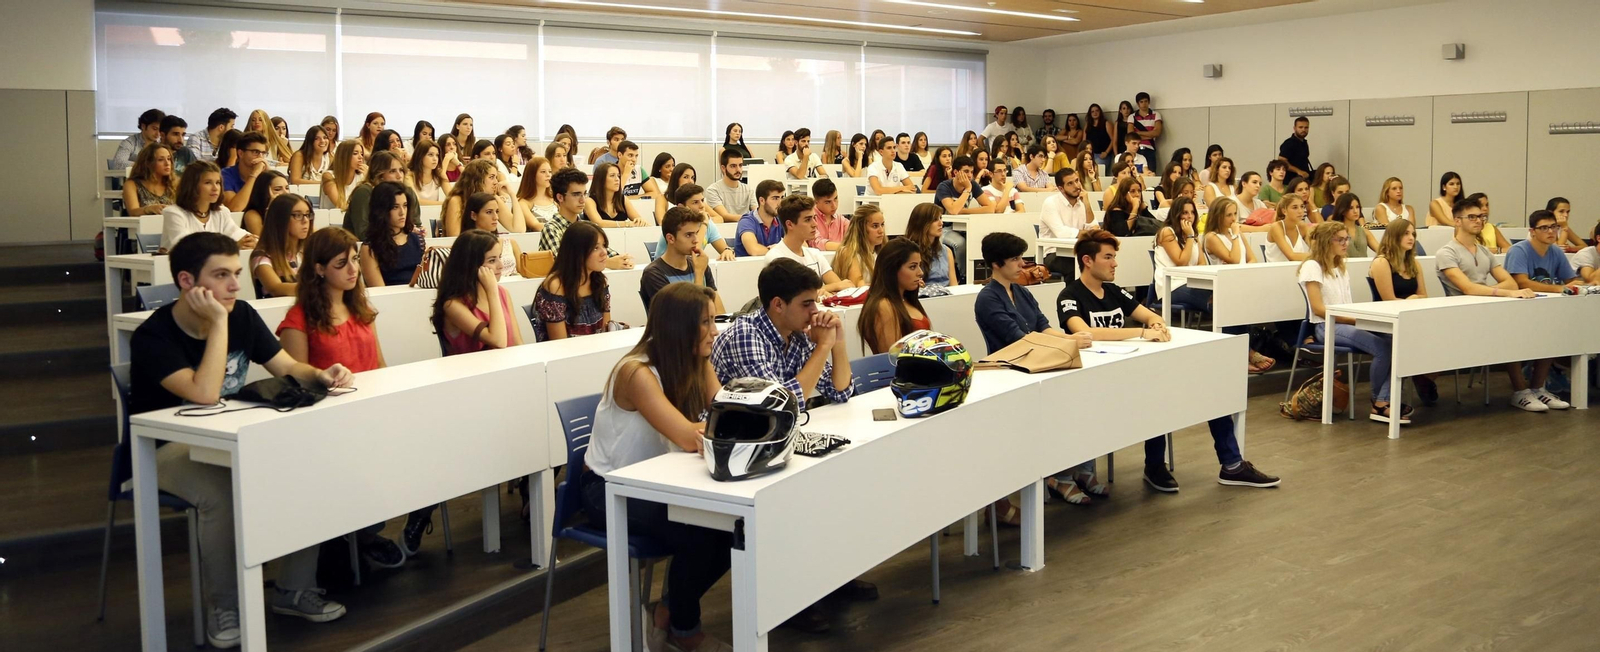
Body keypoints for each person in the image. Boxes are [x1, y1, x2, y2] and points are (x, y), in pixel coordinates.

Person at [130, 233, 354, 647]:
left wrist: (319, 374)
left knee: (309, 467)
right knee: (220, 492)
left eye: (236, 273)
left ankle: (293, 588)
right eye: (221, 276)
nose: (235, 286)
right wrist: (218, 323)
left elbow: (285, 364)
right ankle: (225, 605)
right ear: (186, 281)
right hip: (160, 450)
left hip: (230, 436)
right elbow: (203, 394)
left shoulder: (243, 315)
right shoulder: (154, 336)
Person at [1059, 228, 1280, 489]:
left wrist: (1155, 326)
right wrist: (1141, 332)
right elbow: (1084, 331)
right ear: (1087, 260)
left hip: (1132, 371)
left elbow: (1152, 315)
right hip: (1096, 383)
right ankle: (1154, 465)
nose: (1115, 263)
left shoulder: (1114, 291)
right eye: (1108, 257)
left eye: (1114, 256)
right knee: (1157, 398)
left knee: (1211, 392)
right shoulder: (1070, 295)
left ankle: (1231, 465)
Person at [581, 280, 735, 652]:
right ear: (679, 328)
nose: (715, 331)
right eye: (705, 322)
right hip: (607, 489)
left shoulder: (694, 360)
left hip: (660, 481)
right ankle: (685, 632)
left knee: (732, 528)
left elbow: (726, 413)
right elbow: (689, 437)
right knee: (701, 533)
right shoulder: (636, 372)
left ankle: (666, 611)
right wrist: (715, 425)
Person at [1434, 199, 1562, 412]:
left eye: (1481, 216)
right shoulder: (1446, 253)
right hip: (1461, 314)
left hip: (1488, 309)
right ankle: (1521, 392)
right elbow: (1468, 288)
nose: (1479, 220)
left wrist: (1500, 291)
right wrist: (1506, 292)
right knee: (1509, 330)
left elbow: (1510, 281)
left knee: (1545, 327)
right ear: (1457, 221)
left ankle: (1538, 388)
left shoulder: (1484, 251)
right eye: (1472, 217)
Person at [540, 167, 634, 268]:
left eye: (584, 194)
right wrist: (607, 263)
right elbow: (563, 263)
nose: (582, 200)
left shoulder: (589, 227)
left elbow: (609, 253)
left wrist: (622, 260)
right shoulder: (551, 229)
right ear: (560, 197)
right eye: (576, 195)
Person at [534, 221, 612, 340]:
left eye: (604, 245)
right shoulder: (556, 286)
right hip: (565, 355)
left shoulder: (600, 281)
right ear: (578, 252)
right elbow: (559, 343)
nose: (604, 252)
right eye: (596, 248)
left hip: (597, 350)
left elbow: (607, 331)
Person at [641, 206, 726, 313]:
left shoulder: (700, 264)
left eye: (696, 232)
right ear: (670, 238)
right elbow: (688, 317)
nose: (696, 240)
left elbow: (720, 312)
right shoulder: (654, 273)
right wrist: (698, 274)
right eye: (688, 235)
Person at [765, 195, 854, 293]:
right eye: (807, 220)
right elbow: (795, 296)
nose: (815, 224)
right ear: (789, 224)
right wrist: (831, 288)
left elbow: (844, 287)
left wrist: (831, 288)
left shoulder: (815, 254)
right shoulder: (776, 257)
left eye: (814, 218)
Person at [161, 161, 256, 252]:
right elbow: (185, 247)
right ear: (192, 185)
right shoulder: (173, 213)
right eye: (208, 183)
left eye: (218, 182)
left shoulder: (221, 212)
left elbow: (238, 234)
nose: (215, 188)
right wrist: (232, 246)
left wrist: (251, 241)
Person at [858, 239, 929, 354]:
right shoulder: (884, 306)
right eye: (912, 267)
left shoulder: (906, 299)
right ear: (893, 270)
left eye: (919, 265)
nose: (920, 272)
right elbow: (892, 359)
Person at [360, 181, 426, 287]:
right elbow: (380, 292)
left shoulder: (418, 240)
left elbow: (425, 282)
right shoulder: (370, 248)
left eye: (405, 206)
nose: (402, 212)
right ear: (382, 210)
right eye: (395, 207)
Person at [1507, 210, 1587, 293]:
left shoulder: (1556, 251)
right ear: (1532, 232)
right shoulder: (1518, 250)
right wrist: (1559, 288)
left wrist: (1587, 284)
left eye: (1554, 226)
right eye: (1544, 228)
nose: (1551, 231)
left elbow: (1570, 280)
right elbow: (1521, 283)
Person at [346, 150, 422, 238]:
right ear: (380, 175)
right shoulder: (364, 192)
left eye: (401, 170)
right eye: (392, 171)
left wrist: (418, 231)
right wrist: (398, 235)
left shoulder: (408, 192)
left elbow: (416, 224)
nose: (399, 176)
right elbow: (363, 233)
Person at [247, 193, 309, 299]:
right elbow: (275, 288)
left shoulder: (307, 251)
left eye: (307, 214)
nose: (306, 221)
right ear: (281, 219)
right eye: (298, 215)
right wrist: (319, 289)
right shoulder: (262, 255)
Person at [655, 184, 738, 261]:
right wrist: (704, 223)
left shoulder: (708, 223)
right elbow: (694, 253)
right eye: (695, 202)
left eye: (702, 200)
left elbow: (724, 248)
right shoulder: (675, 224)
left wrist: (727, 251)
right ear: (681, 207)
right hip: (665, 271)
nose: (702, 205)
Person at [442, 159, 508, 237]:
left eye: (496, 177)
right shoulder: (456, 201)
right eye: (491, 177)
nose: (496, 182)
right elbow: (454, 237)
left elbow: (518, 228)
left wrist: (512, 195)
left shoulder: (492, 199)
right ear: (477, 179)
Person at [905, 203, 958, 288]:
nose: (941, 223)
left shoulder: (947, 251)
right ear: (922, 223)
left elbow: (954, 286)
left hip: (946, 296)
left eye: (941, 218)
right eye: (935, 219)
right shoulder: (907, 252)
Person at [832, 204, 885, 286]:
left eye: (882, 224)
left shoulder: (882, 252)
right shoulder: (848, 252)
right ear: (861, 228)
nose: (881, 231)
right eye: (875, 226)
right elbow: (858, 285)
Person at [1038, 167, 1096, 239]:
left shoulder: (1082, 201)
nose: (1076, 186)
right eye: (1070, 184)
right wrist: (1091, 233)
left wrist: (1087, 205)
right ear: (1061, 189)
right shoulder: (1050, 203)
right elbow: (1062, 233)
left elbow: (1095, 227)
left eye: (1077, 181)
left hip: (1079, 247)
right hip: (1055, 248)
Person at [122, 143, 177, 217]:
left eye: (169, 159)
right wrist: (149, 209)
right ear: (148, 163)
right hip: (142, 226)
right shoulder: (132, 184)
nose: (167, 163)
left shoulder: (175, 183)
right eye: (161, 160)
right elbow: (133, 212)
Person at [585, 162, 646, 227]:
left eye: (618, 176)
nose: (617, 179)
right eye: (612, 175)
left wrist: (640, 221)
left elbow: (638, 219)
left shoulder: (623, 199)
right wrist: (627, 223)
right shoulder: (589, 201)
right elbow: (599, 223)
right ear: (601, 179)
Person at [219, 132, 268, 212]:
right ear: (241, 153)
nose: (260, 157)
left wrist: (269, 176)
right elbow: (234, 208)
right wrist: (254, 175)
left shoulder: (265, 174)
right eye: (256, 152)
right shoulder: (225, 174)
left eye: (263, 153)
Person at [733, 180, 785, 257]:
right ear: (762, 201)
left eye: (782, 198)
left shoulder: (780, 219)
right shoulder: (747, 221)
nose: (780, 203)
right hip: (747, 267)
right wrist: (778, 250)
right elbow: (753, 250)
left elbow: (800, 244)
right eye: (775, 198)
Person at [705, 149, 755, 223]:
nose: (738, 170)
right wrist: (749, 218)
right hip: (724, 231)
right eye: (733, 166)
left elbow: (757, 213)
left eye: (740, 165)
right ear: (723, 168)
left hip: (746, 229)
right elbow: (724, 216)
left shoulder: (749, 189)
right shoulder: (713, 190)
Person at [1263, 194, 1313, 262]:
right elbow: (1291, 256)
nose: (1300, 211)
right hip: (1275, 271)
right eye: (1295, 207)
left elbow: (1316, 248)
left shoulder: (1303, 226)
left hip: (1297, 270)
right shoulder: (1276, 227)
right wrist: (1318, 256)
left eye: (1302, 206)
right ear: (1284, 211)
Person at [240, 170, 289, 236]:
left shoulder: (290, 209)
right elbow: (264, 241)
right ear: (264, 192)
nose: (286, 192)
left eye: (287, 188)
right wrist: (271, 209)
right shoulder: (251, 215)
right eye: (277, 189)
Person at [513, 156, 555, 233]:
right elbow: (536, 226)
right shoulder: (523, 203)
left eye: (550, 171)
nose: (548, 175)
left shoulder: (555, 199)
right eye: (543, 172)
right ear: (532, 175)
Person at [1330, 193, 1378, 257]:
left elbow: (1380, 250)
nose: (1355, 211)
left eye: (1357, 207)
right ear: (1343, 210)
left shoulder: (1364, 231)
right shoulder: (1334, 232)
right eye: (1351, 208)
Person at [323, 140, 366, 211]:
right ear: (344, 156)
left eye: (361, 154)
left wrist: (369, 177)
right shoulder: (328, 176)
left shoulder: (361, 176)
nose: (360, 157)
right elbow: (341, 205)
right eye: (355, 153)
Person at [809, 178, 848, 251]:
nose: (834, 206)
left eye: (836, 199)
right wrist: (847, 247)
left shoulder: (841, 219)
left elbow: (855, 234)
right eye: (828, 202)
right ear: (816, 202)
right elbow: (816, 243)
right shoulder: (810, 218)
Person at [408, 139, 450, 206]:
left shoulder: (439, 173)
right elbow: (416, 201)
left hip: (435, 213)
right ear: (420, 156)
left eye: (437, 155)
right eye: (430, 155)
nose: (435, 159)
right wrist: (444, 204)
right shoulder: (409, 175)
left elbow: (452, 196)